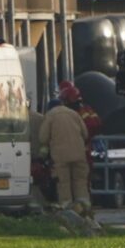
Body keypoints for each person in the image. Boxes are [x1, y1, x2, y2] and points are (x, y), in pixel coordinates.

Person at [37, 81, 94, 216]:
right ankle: (85, 208)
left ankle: (68, 210)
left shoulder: (50, 116)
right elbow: (85, 133)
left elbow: (43, 138)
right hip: (79, 154)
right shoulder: (74, 114)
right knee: (80, 181)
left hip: (61, 156)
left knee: (63, 182)